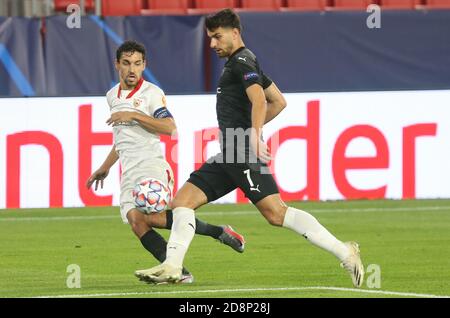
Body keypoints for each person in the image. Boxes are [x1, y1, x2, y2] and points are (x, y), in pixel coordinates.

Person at [137, 9, 364, 288]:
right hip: (229, 154)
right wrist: (249, 130)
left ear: (235, 32)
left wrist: (254, 135)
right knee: (182, 202)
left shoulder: (242, 61)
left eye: (217, 37)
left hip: (241, 152)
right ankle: (172, 267)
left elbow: (259, 101)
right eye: (210, 38)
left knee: (276, 214)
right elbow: (278, 101)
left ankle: (345, 252)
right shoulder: (243, 62)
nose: (212, 44)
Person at [86, 40, 245, 284]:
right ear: (117, 64)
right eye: (127, 63)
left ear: (144, 65)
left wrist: (133, 114)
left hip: (152, 166)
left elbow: (169, 127)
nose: (132, 69)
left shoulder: (151, 94)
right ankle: (182, 270)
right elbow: (121, 139)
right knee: (136, 221)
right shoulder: (111, 96)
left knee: (154, 218)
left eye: (138, 64)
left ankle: (203, 244)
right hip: (127, 172)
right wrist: (105, 167)